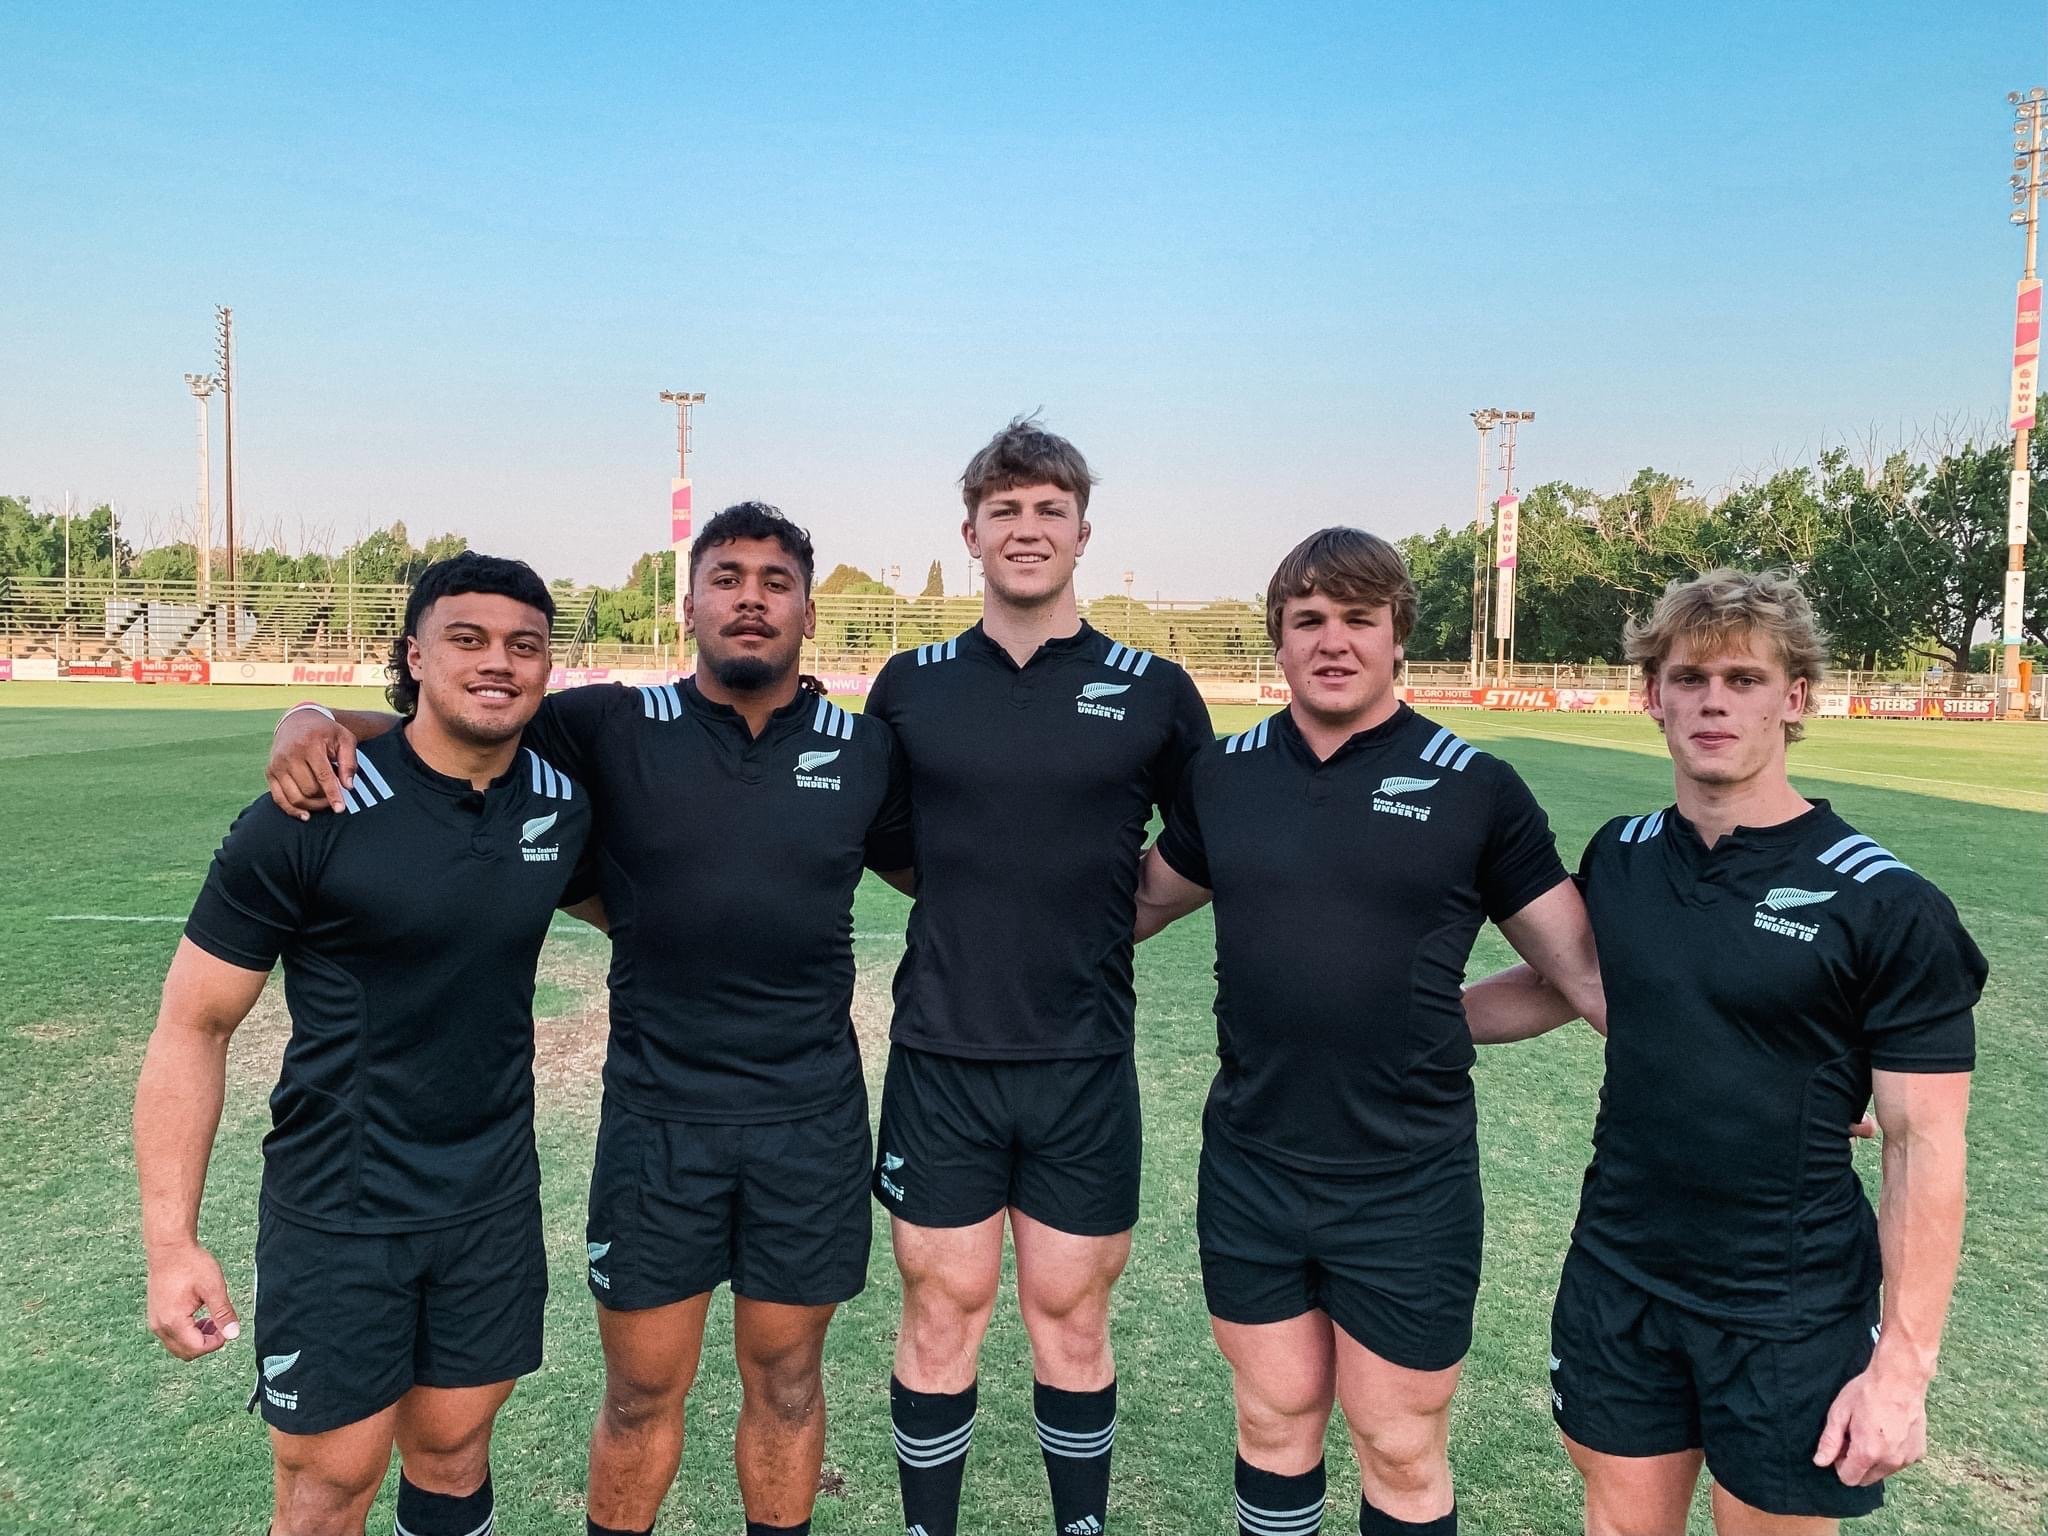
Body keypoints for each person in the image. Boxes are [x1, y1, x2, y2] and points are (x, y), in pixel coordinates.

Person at [265, 503, 912, 1536]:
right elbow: (451, 735)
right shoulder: (606, 727)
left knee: (788, 1385)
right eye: (728, 576)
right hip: (657, 1125)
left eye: (775, 580)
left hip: (810, 1123)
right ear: (689, 600)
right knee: (640, 1396)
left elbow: (942, 869)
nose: (751, 597)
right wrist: (311, 716)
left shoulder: (867, 749)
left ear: (805, 606)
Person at [1466, 570, 1985, 1535]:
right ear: (1650, 694)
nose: (1713, 701)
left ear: (1793, 700)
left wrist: (1902, 1373)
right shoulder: (1622, 854)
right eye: (1689, 676)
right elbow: (1563, 985)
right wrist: (1399, 1023)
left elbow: (1923, 1143)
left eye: (1744, 679)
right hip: (1619, 1272)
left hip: (1788, 1304)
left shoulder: (1887, 903)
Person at [1133, 527, 1604, 1536]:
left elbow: (1580, 976)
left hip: (1406, 1181)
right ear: (1278, 641)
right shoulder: (1224, 775)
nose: (1332, 640)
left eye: (1358, 618)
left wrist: (1789, 1076)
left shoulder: (1473, 787)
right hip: (1252, 1165)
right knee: (1271, 1420)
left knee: (1395, 1442)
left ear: (1398, 638)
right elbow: (1130, 905)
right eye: (1308, 620)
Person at [136, 553, 594, 1536]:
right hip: (340, 1211)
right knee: (327, 1488)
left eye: (525, 645)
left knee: (455, 1453)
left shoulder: (560, 806)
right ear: (414, 656)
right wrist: (169, 1244)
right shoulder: (311, 811)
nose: (497, 663)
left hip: (491, 1204)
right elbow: (193, 1024)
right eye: (466, 639)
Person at [864, 418, 1214, 1536]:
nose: (1026, 528)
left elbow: (1212, 838)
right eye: (1003, 510)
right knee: (939, 1314)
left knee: (1069, 1317)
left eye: (1047, 510)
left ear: (1081, 532)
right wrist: (975, 902)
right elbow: (884, 838)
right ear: (968, 533)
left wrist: (1111, 916)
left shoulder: (1151, 688)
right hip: (940, 1059)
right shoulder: (910, 685)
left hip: (1081, 1063)